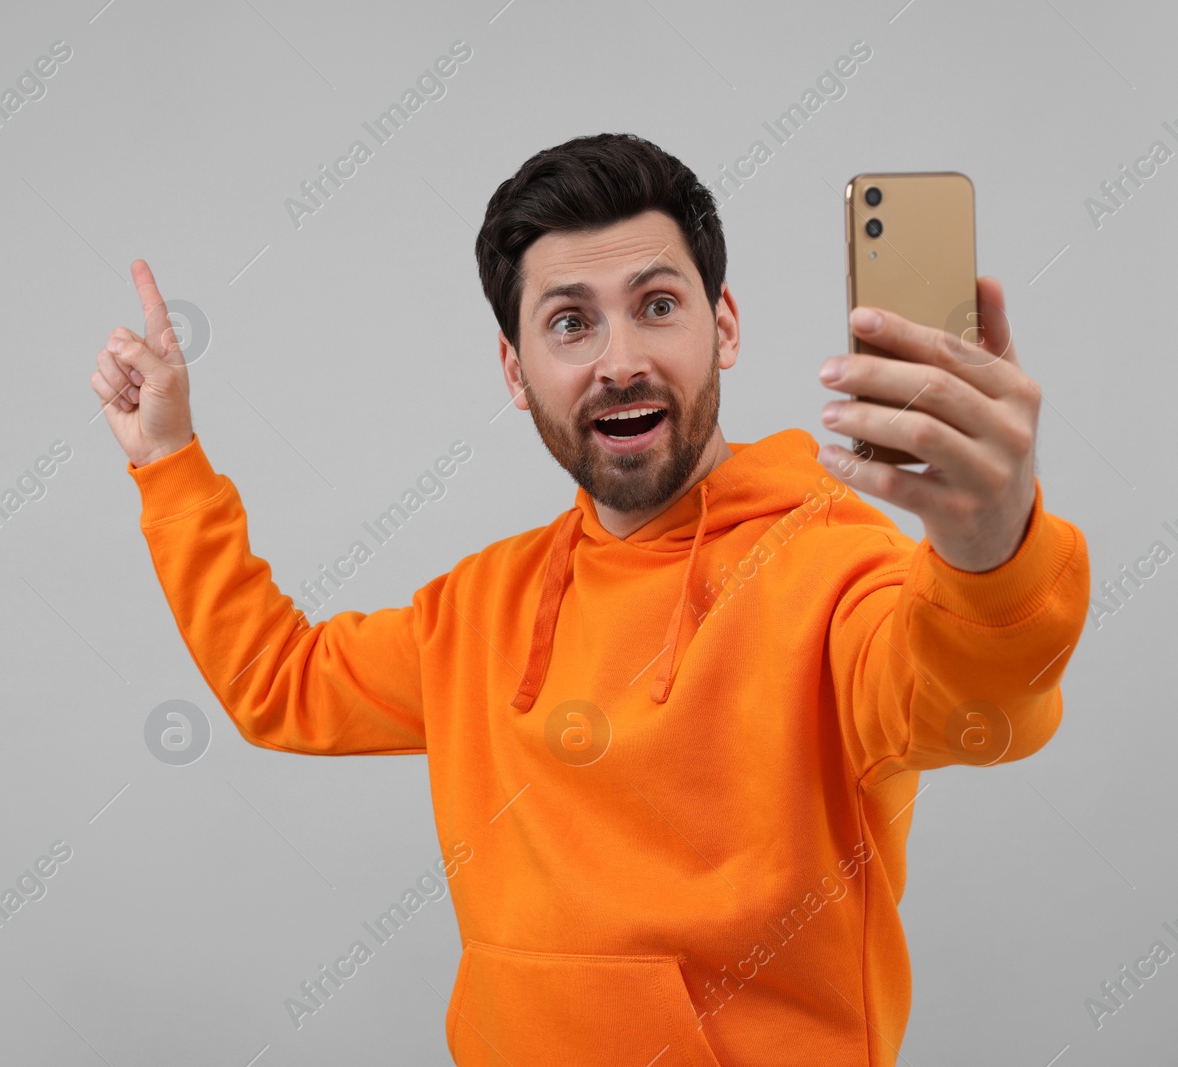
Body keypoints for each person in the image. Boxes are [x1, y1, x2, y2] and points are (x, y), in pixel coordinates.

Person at [89, 132, 1090, 1066]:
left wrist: (987, 541)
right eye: (571, 322)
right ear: (517, 373)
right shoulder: (481, 604)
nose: (619, 360)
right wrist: (171, 464)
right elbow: (282, 683)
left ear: (723, 325)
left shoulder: (836, 569)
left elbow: (977, 706)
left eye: (657, 304)